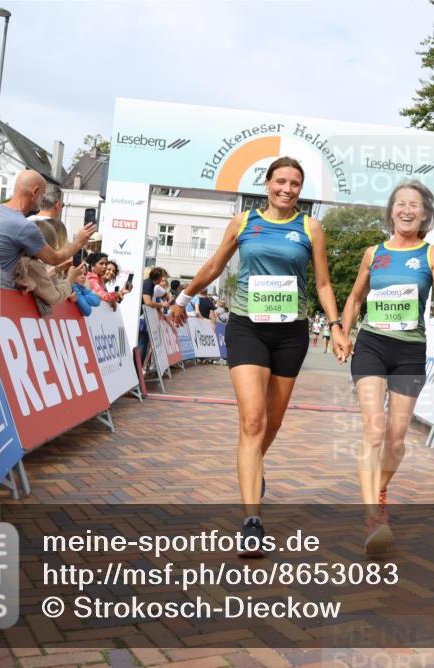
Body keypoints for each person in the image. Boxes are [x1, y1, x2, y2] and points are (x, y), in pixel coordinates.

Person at [169, 156, 350, 554]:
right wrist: (184, 296)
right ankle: (252, 519)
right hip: (248, 327)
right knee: (252, 419)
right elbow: (216, 265)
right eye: (281, 181)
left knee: (272, 421)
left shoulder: (309, 227)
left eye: (295, 184)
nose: (287, 189)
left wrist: (336, 326)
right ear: (267, 184)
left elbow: (321, 282)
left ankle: (252, 467)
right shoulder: (243, 222)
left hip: (290, 333)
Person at [341, 180, 434, 554]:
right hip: (372, 345)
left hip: (409, 351)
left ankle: (380, 488)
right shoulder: (374, 253)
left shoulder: (431, 253)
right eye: (401, 204)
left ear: (425, 214)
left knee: (396, 438)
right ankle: (374, 516)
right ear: (391, 210)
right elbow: (356, 298)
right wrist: (341, 332)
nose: (407, 210)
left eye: (415, 205)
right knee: (373, 429)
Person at [0, 169, 96, 288]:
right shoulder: (24, 226)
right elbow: (55, 258)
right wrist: (79, 241)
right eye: (43, 194)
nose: (43, 199)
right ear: (35, 191)